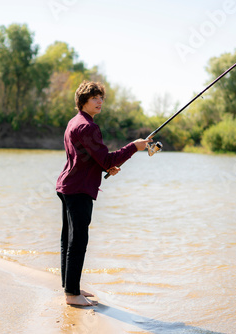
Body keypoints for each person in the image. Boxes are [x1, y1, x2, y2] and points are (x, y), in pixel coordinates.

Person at [56, 80, 152, 306]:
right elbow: (106, 158)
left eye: (101, 98)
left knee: (68, 239)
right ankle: (72, 295)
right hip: (78, 189)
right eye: (94, 98)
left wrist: (105, 167)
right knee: (77, 241)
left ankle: (71, 287)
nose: (99, 102)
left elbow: (90, 157)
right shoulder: (88, 126)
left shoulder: (74, 122)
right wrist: (134, 147)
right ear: (83, 101)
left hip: (68, 186)